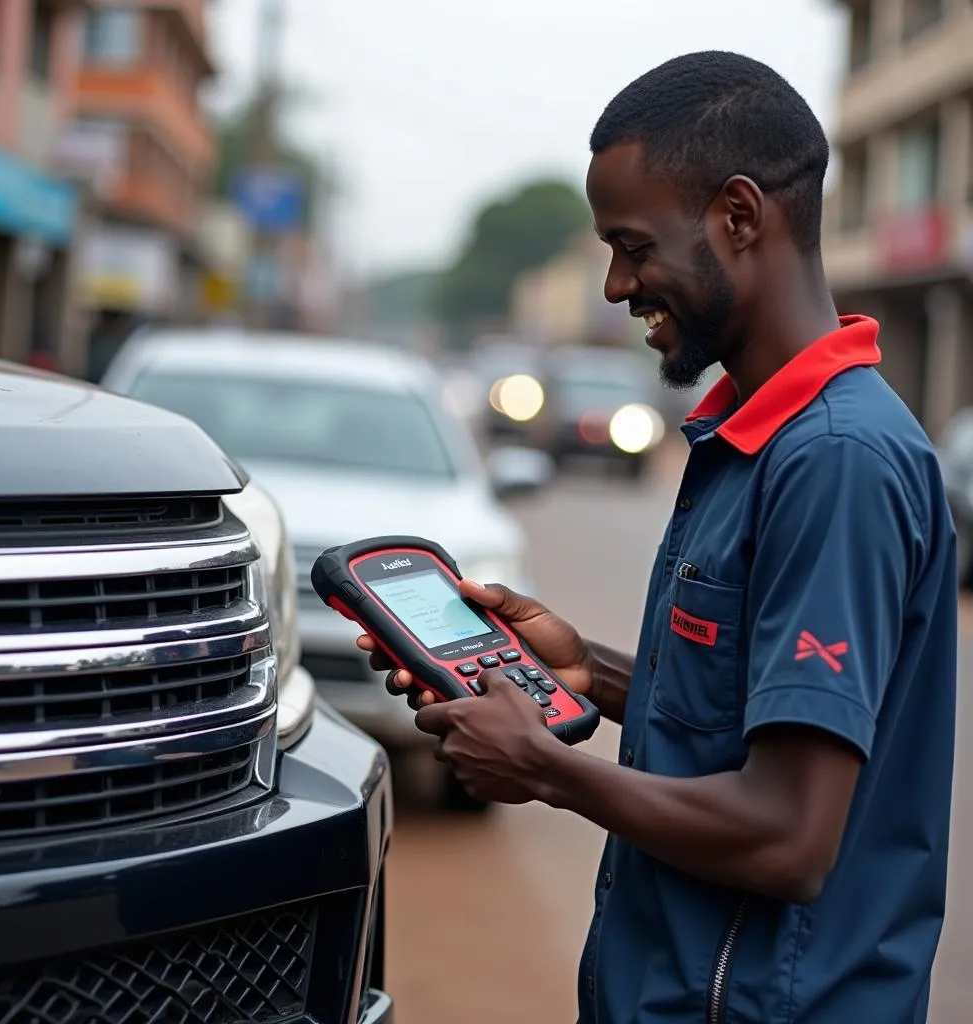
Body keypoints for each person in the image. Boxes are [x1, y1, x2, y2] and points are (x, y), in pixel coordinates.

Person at [358, 50, 957, 1024]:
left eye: (632, 246)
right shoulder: (751, 438)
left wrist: (547, 768)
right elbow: (766, 717)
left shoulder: (835, 458)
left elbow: (788, 837)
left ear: (737, 216)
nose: (613, 285)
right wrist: (585, 672)